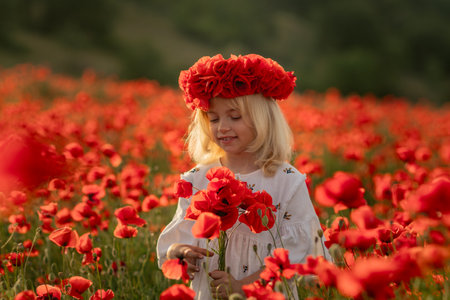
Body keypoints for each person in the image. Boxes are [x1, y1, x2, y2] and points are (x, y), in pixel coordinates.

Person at [157, 54, 330, 299]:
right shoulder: (198, 178)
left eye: (234, 117)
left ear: (263, 120)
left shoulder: (286, 181)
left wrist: (243, 285)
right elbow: (175, 243)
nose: (222, 127)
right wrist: (181, 252)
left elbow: (299, 254)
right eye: (214, 119)